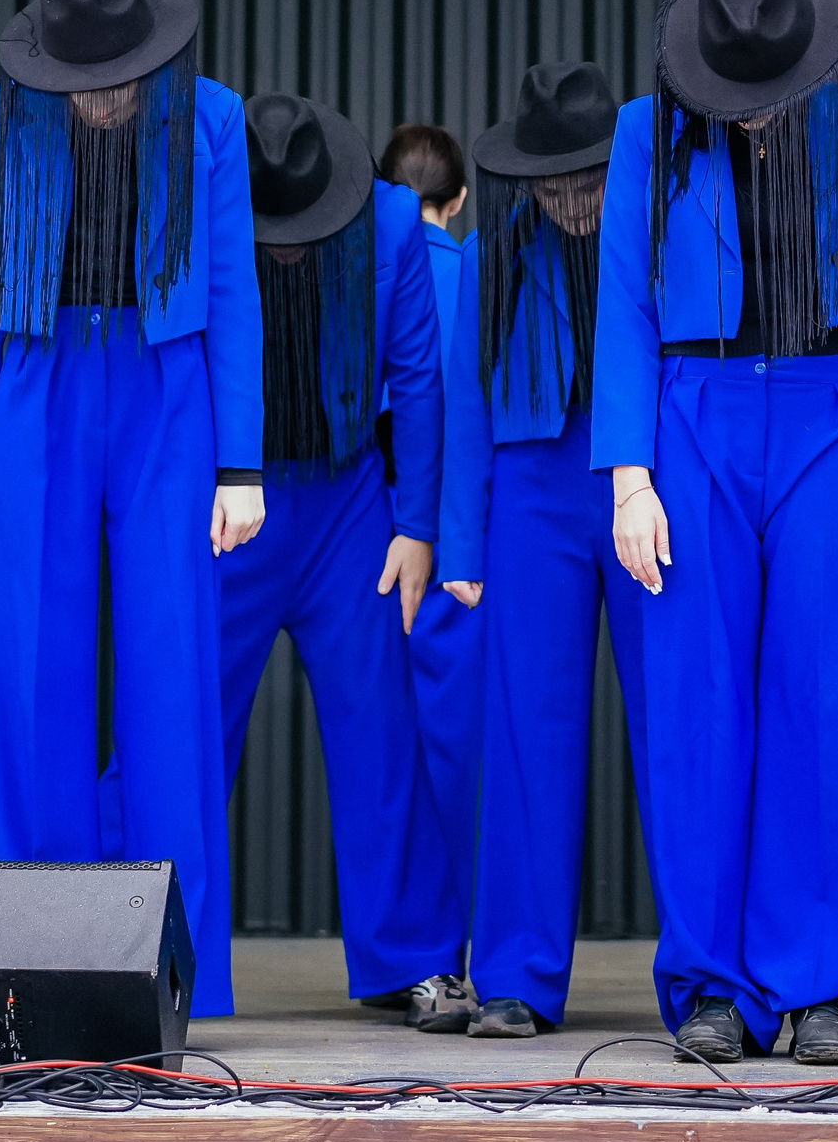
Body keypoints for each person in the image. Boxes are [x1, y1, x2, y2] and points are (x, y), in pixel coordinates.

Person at [593, 0, 838, 1066]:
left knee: (823, 698)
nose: (748, 115)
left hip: (835, 413)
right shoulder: (647, 134)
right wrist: (629, 477)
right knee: (694, 704)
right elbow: (624, 312)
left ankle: (815, 981)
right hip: (694, 412)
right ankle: (708, 985)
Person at [0, 0, 263, 1019]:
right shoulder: (2, 118)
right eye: (82, 84)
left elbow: (231, 288)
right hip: (36, 384)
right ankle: (41, 964)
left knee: (173, 675)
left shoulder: (207, 118)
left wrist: (239, 462)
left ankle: (180, 972)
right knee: (33, 672)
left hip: (164, 382)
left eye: (116, 77)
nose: (103, 99)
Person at [217, 94, 467, 1031]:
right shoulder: (203, 206)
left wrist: (416, 526)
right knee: (183, 724)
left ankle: (419, 958)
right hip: (226, 498)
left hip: (350, 498)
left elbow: (419, 382)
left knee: (380, 729)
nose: (284, 247)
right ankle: (138, 945)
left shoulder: (394, 223)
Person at [438, 61, 652, 1038]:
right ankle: (518, 977)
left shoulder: (657, 239)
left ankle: (707, 981)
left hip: (645, 488)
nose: (572, 200)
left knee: (677, 731)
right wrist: (461, 542)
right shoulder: (491, 255)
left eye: (589, 179)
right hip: (530, 493)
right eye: (553, 183)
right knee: (528, 733)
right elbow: (465, 402)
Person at [377, 121, 483, 933]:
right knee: (458, 747)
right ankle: (461, 942)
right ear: (460, 200)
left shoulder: (373, 267)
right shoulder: (474, 273)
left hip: (374, 532)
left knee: (380, 753)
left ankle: (404, 943)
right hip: (460, 542)